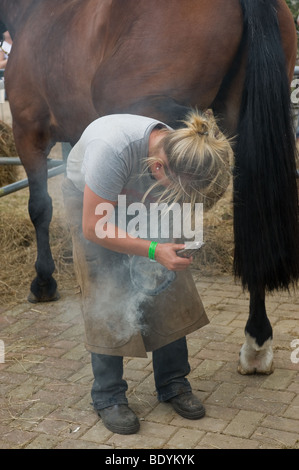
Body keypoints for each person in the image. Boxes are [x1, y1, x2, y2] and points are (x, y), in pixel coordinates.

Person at [62, 111, 232, 435]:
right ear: (157, 168)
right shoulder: (110, 151)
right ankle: (108, 395)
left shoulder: (177, 147)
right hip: (93, 204)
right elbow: (94, 226)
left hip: (140, 190)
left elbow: (178, 199)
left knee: (169, 281)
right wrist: (152, 249)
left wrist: (174, 245)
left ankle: (173, 382)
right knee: (106, 287)